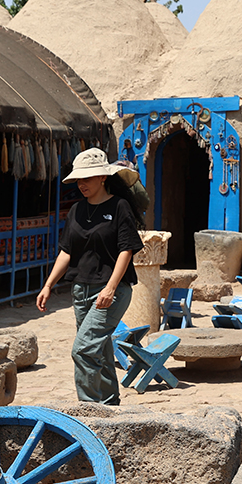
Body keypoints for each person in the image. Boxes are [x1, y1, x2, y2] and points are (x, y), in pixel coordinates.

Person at [37, 148, 144, 405]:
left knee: (83, 350)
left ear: (103, 177)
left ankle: (89, 410)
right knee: (100, 349)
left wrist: (110, 288)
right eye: (79, 179)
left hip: (112, 291)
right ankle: (109, 405)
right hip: (80, 291)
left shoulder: (120, 207)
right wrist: (48, 284)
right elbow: (66, 251)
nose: (81, 184)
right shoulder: (76, 210)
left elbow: (126, 250)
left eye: (87, 178)